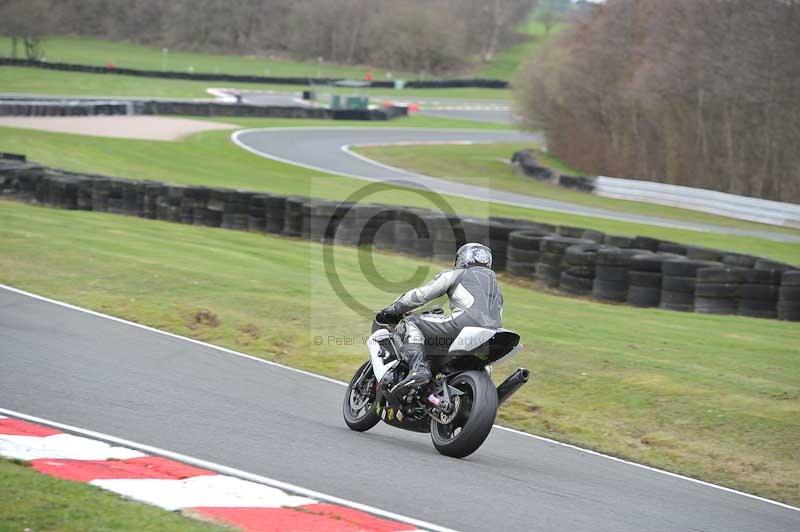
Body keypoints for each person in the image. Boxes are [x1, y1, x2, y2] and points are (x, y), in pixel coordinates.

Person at [377, 243, 504, 392]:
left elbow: (420, 296)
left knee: (410, 322)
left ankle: (418, 369)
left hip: (462, 326)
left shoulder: (457, 274)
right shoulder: (497, 288)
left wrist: (392, 310)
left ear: (462, 258)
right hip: (493, 335)